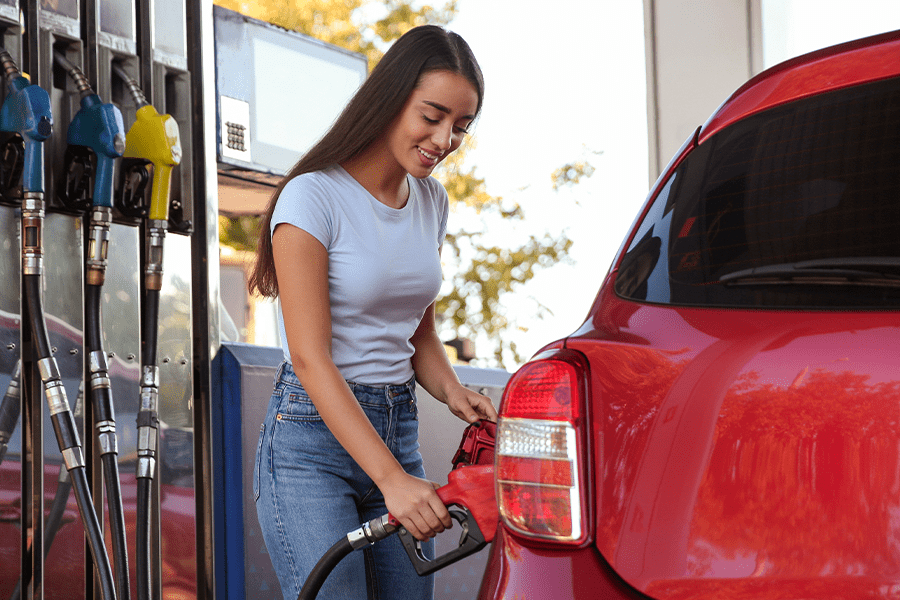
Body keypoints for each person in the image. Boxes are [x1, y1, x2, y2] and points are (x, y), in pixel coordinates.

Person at [248, 24, 498, 600]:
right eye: (431, 116)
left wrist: (453, 392)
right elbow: (311, 359)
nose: (444, 139)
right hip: (311, 444)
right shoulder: (313, 197)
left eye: (460, 126)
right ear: (391, 100)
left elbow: (419, 336)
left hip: (396, 429)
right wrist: (392, 482)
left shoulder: (431, 202)